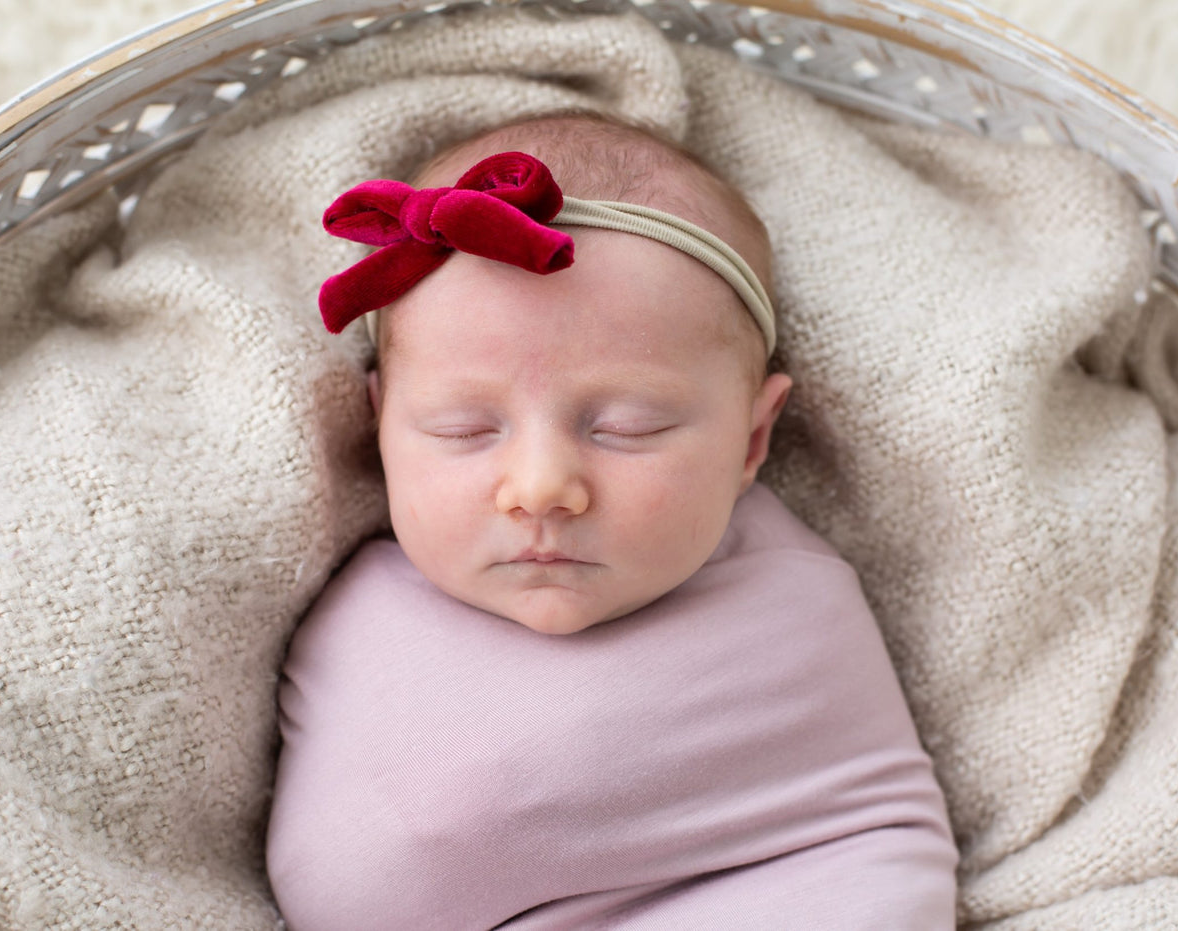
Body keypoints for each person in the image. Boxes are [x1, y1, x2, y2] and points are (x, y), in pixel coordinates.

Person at [266, 113, 958, 929]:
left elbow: (862, 839)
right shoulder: (347, 606)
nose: (541, 486)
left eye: (627, 427)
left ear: (753, 438)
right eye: (464, 429)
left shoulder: (792, 599)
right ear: (380, 425)